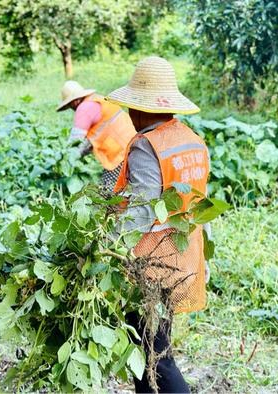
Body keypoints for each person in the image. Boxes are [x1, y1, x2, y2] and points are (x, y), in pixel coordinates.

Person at [109, 56, 210, 393]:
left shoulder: (146, 145)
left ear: (139, 109)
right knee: (146, 344)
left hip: (150, 265)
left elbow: (141, 209)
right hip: (181, 257)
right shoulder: (189, 138)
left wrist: (105, 246)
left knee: (156, 354)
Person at [56, 80, 136, 189]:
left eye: (70, 106)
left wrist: (63, 160)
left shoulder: (83, 108)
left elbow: (75, 140)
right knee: (132, 187)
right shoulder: (98, 99)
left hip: (118, 153)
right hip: (134, 143)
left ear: (74, 102)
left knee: (109, 193)